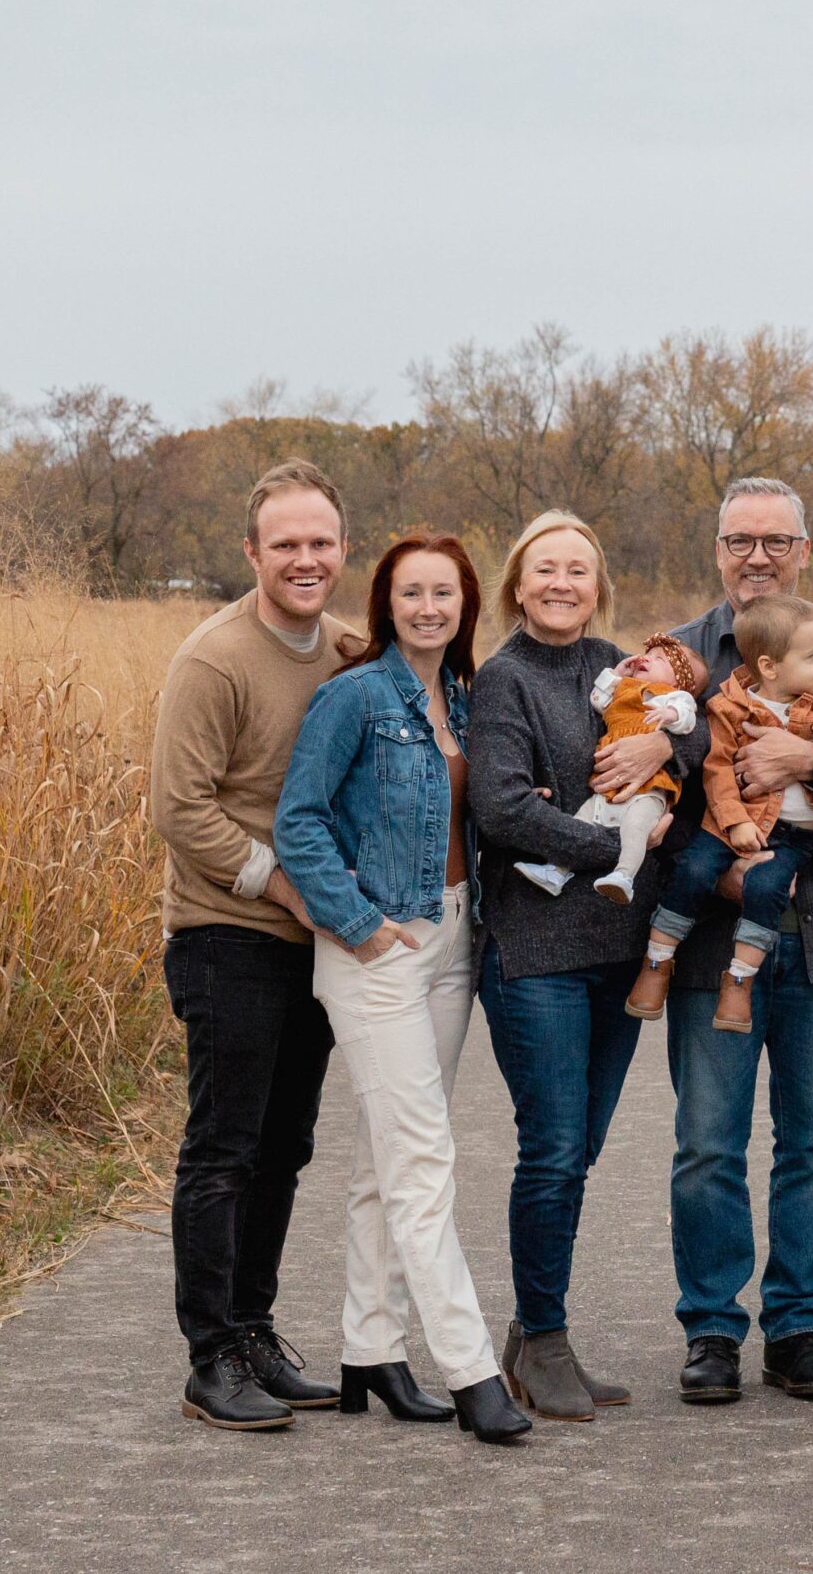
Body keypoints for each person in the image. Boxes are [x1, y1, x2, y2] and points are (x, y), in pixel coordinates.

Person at [273, 534, 531, 1444]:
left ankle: (369, 1349)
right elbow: (297, 820)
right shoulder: (353, 696)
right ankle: (471, 1372)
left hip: (454, 939)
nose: (430, 608)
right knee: (423, 1157)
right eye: (412, 593)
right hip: (379, 947)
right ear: (387, 603)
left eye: (445, 593)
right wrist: (356, 922)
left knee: (388, 1158)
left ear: (466, 603)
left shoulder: (463, 695)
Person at [657, 478, 813, 1405]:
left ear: (806, 548)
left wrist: (812, 761)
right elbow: (658, 791)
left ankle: (798, 1326)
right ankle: (713, 1330)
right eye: (739, 541)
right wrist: (713, 863)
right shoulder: (681, 655)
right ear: (716, 549)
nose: (757, 557)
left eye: (776, 541)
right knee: (706, 1143)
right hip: (714, 941)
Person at [147, 460, 357, 1433]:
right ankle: (211, 1356)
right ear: (252, 553)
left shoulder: (345, 653)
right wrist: (283, 884)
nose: (304, 559)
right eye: (286, 545)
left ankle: (255, 1326)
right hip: (227, 932)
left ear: (341, 548)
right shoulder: (215, 658)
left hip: (309, 942)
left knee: (286, 1144)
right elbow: (179, 807)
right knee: (224, 1146)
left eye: (320, 543)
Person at [468, 510, 689, 1424]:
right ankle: (546, 1336)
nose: (562, 583)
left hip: (615, 954)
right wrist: (612, 848)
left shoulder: (617, 668)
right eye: (544, 569)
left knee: (580, 1150)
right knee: (552, 1150)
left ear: (599, 585)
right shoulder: (503, 679)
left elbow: (691, 732)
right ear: (519, 585)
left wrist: (667, 750)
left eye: (579, 571)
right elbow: (504, 810)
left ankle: (531, 1337)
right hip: (536, 957)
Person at [629, 593, 813, 1034]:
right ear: (770, 667)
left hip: (793, 833)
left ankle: (739, 979)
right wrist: (734, 820)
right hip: (728, 823)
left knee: (768, 889)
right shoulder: (728, 707)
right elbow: (716, 768)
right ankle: (657, 961)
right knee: (694, 871)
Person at [511, 632, 706, 904]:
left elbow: (688, 719)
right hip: (608, 784)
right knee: (581, 819)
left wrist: (670, 717)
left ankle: (624, 875)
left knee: (637, 827)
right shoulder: (624, 688)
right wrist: (615, 674)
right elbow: (598, 700)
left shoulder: (672, 697)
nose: (647, 659)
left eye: (660, 659)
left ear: (680, 680)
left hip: (649, 787)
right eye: (647, 655)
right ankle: (557, 870)